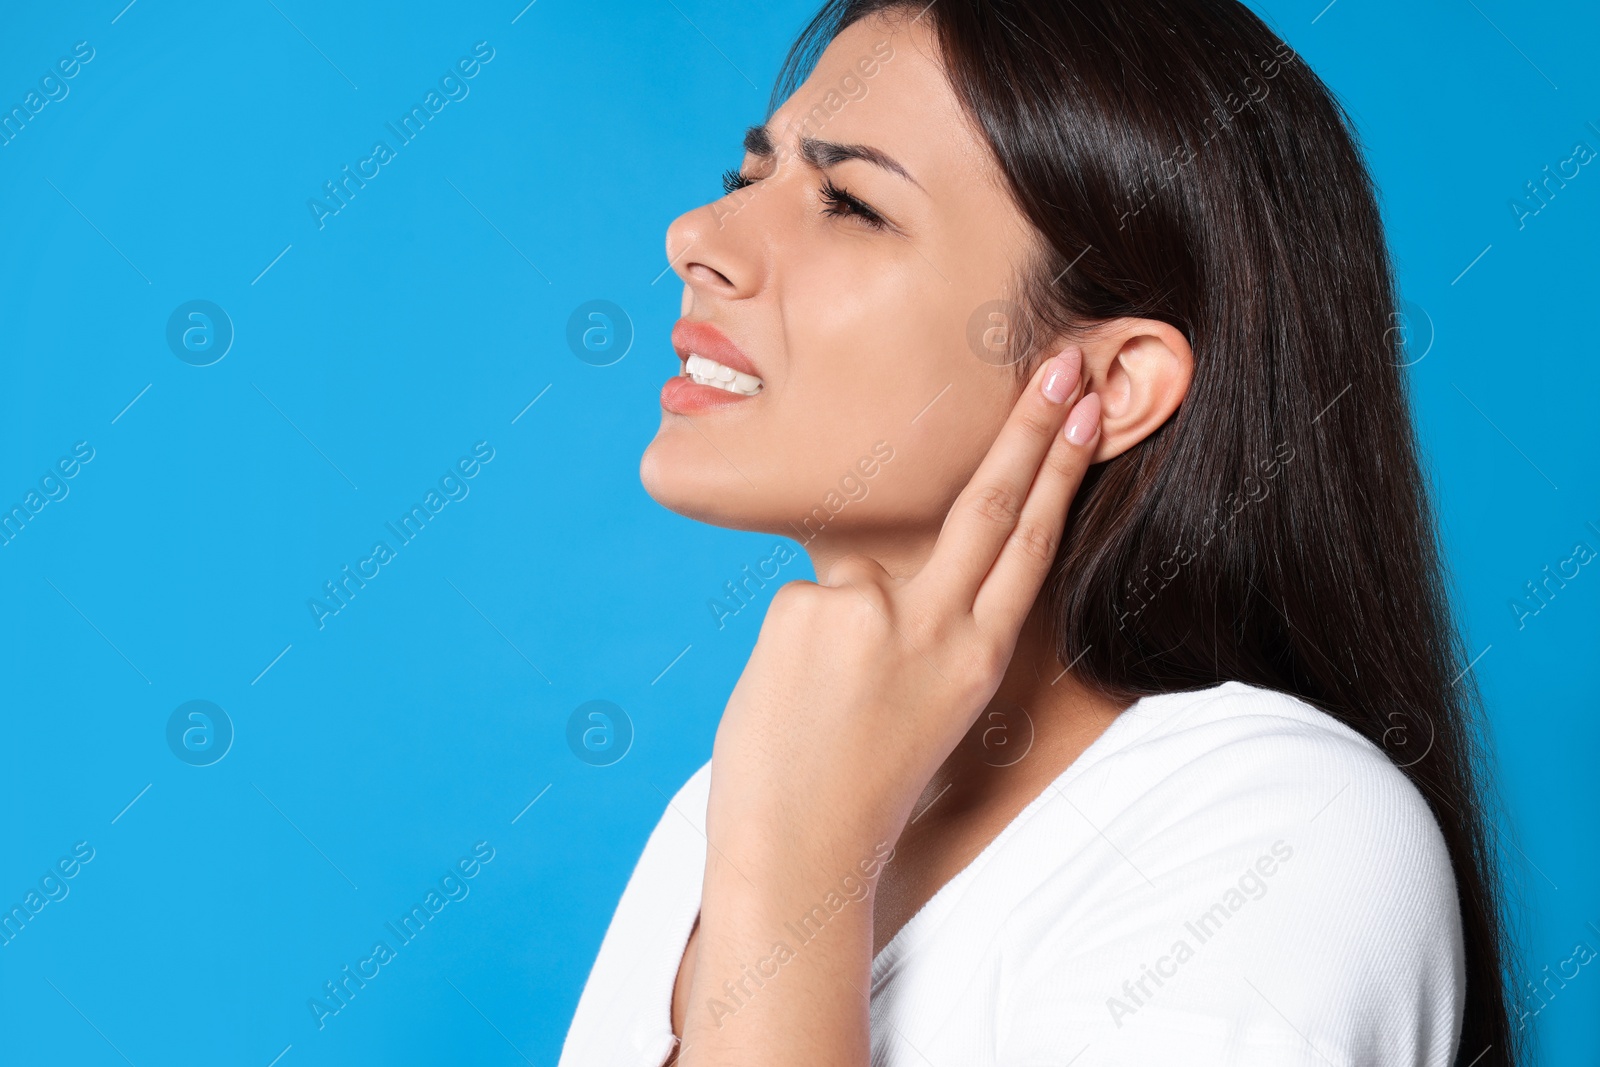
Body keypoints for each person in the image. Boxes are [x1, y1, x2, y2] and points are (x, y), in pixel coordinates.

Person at [560, 1, 1518, 1063]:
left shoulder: (1281, 831)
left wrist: (791, 880)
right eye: (750, 177)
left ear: (1109, 382)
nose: (697, 236)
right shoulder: (728, 807)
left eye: (848, 201)